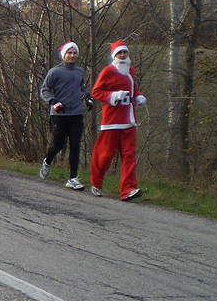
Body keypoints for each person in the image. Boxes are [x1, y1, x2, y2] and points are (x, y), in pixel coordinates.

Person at [89, 40, 146, 200]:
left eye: (125, 53)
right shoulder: (108, 71)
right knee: (105, 154)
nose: (122, 56)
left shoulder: (130, 70)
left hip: (129, 120)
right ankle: (96, 182)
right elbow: (96, 91)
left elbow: (133, 88)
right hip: (112, 121)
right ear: (114, 56)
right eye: (119, 53)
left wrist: (138, 96)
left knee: (129, 155)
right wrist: (113, 96)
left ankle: (128, 189)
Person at [39, 41, 93, 190]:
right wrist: (54, 101)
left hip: (76, 113)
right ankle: (47, 161)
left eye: (74, 53)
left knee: (75, 145)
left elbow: (81, 88)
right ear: (64, 55)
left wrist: (88, 98)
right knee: (58, 144)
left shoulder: (79, 71)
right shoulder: (55, 72)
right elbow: (45, 90)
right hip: (60, 113)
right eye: (69, 53)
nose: (72, 55)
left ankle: (73, 178)